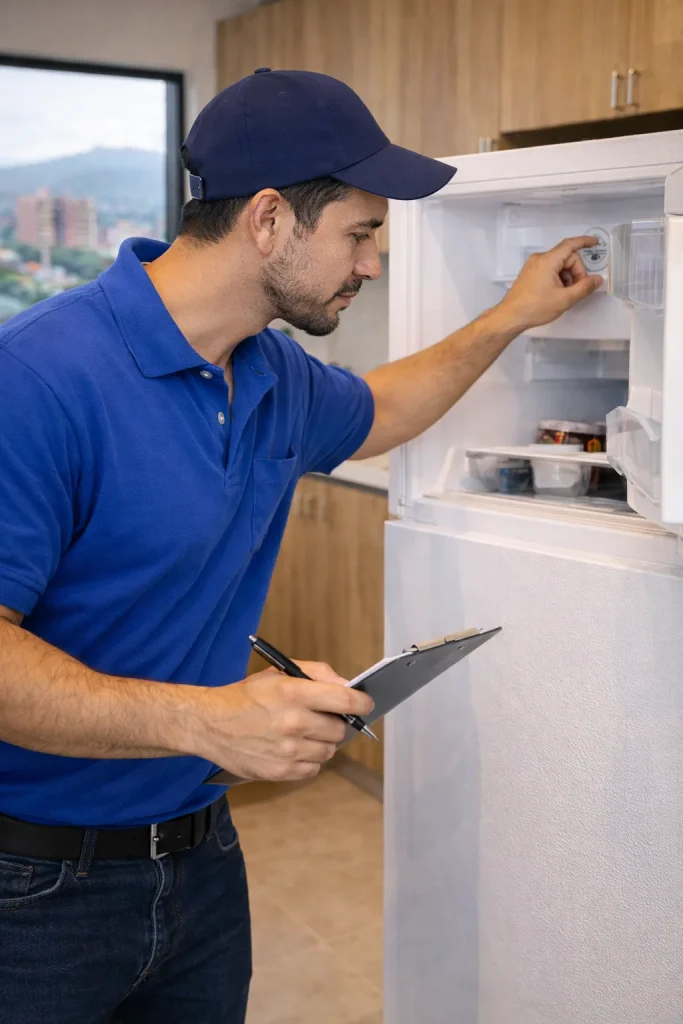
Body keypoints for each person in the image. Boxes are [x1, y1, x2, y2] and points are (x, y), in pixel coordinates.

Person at [0, 68, 601, 1023]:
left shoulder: (271, 368)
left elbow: (384, 407)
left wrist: (511, 316)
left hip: (200, 861)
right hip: (30, 887)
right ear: (270, 219)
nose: (372, 261)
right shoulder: (37, 378)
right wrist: (206, 721)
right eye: (360, 232)